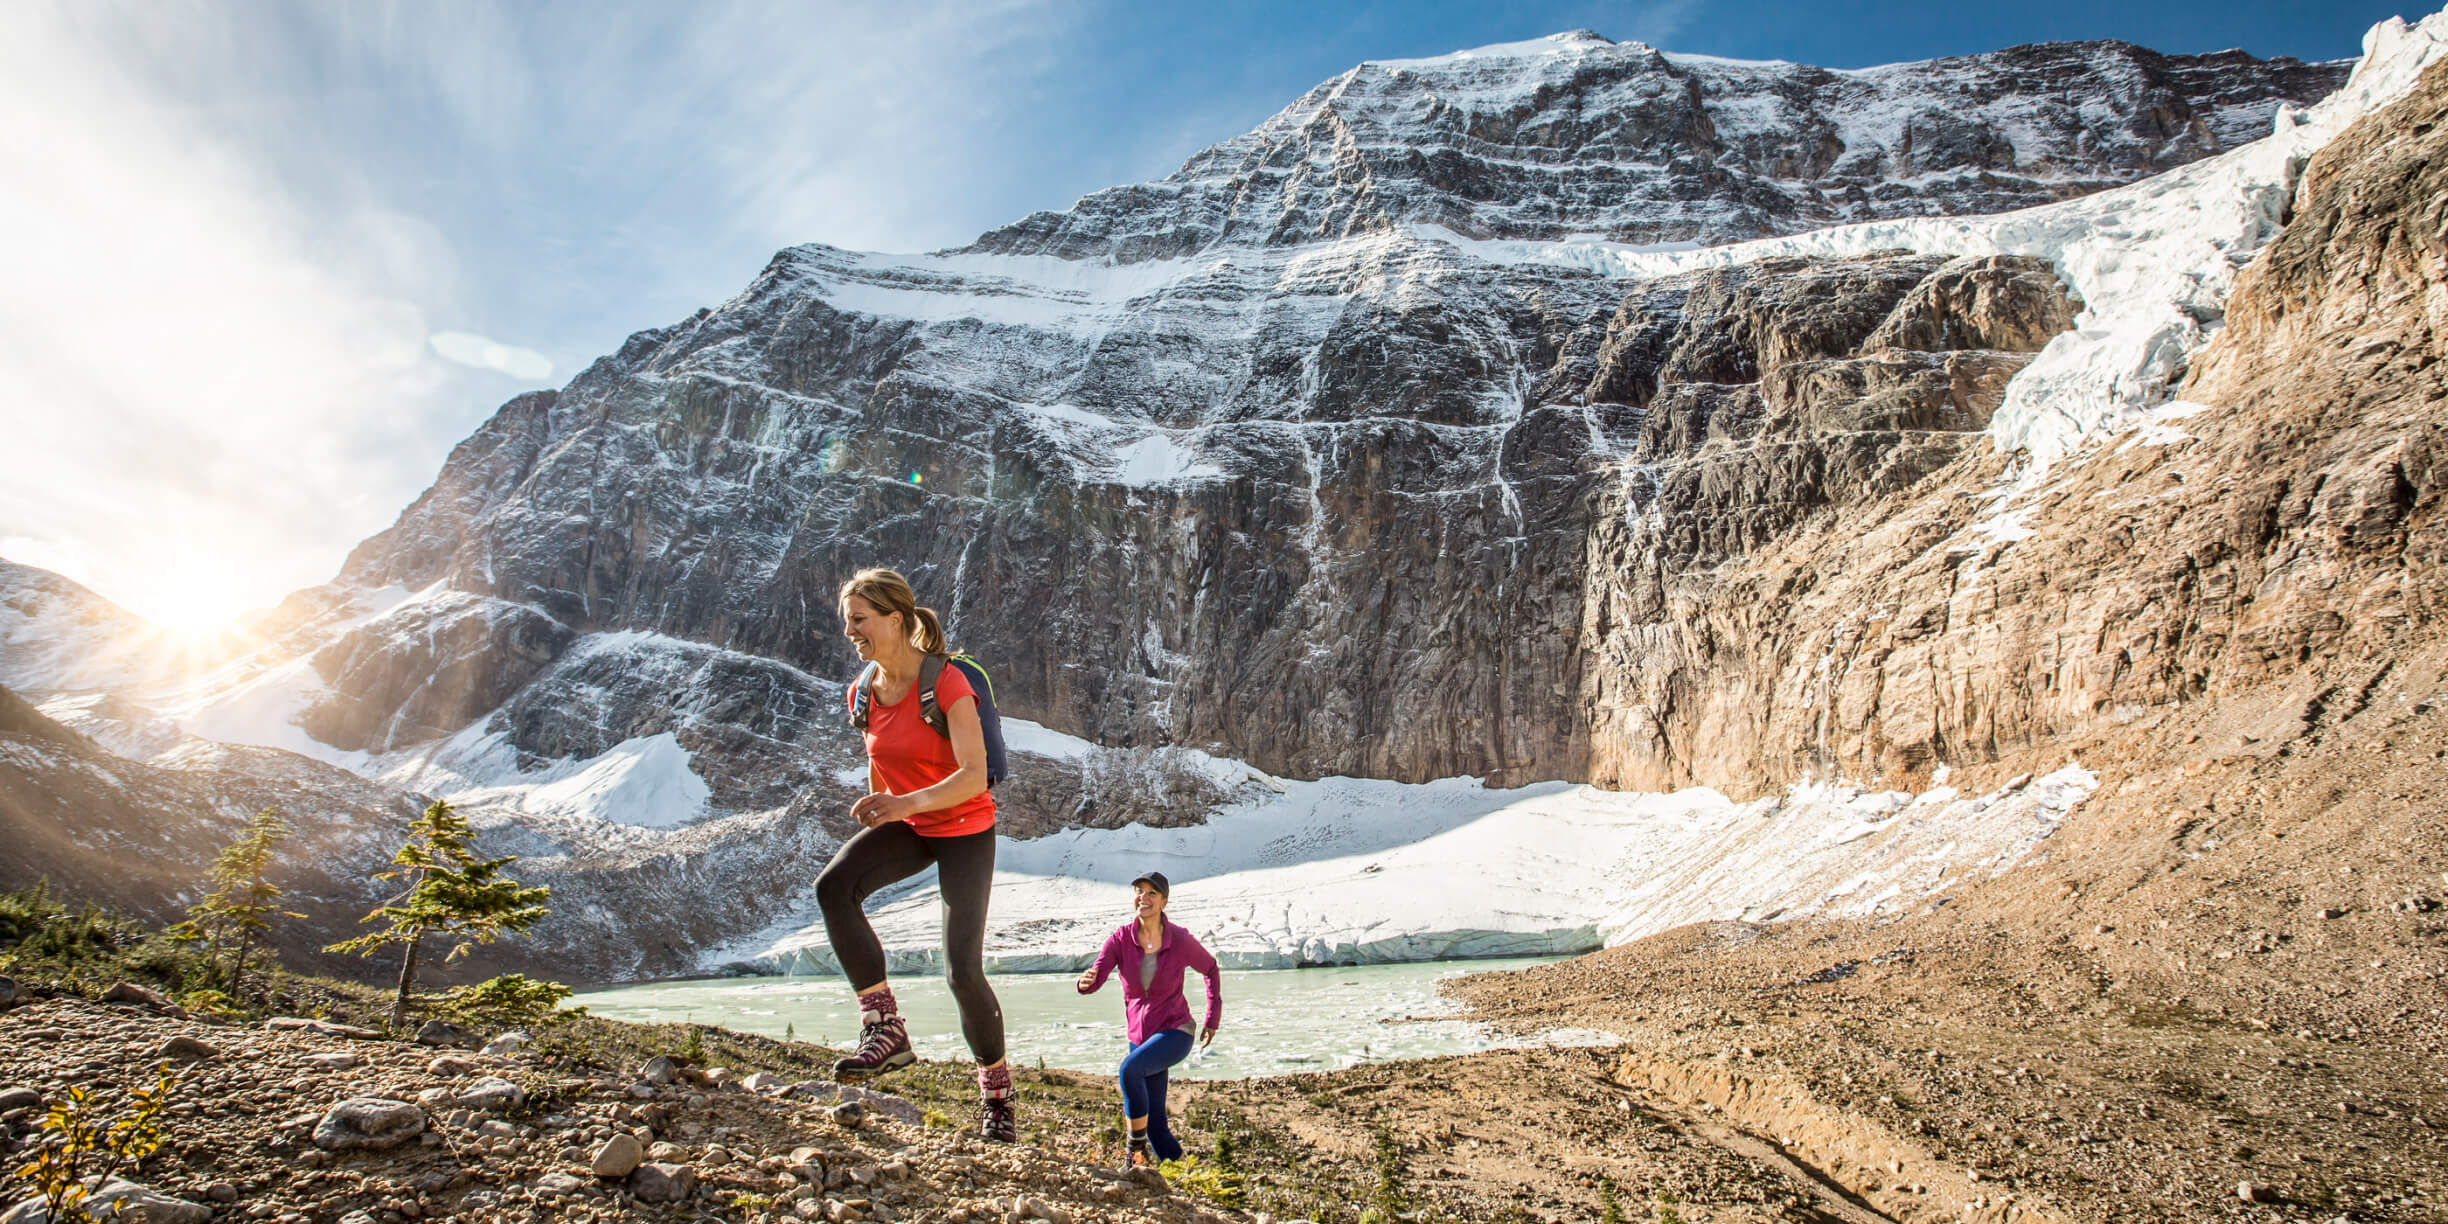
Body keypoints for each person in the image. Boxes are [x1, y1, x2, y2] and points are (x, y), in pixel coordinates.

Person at [815, 567, 1014, 1142]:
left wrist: (903, 804)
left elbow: (973, 775)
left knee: (961, 972)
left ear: (895, 620)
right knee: (834, 888)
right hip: (911, 823)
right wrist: (883, 806)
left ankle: (998, 1100)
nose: (851, 632)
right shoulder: (862, 692)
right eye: (847, 621)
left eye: (860, 620)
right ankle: (885, 1027)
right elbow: (882, 759)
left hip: (965, 829)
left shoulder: (946, 683)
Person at [1075, 871, 1222, 1167]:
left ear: (1164, 901)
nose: (1143, 897)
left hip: (1175, 1031)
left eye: (1151, 893)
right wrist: (1084, 983)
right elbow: (1097, 975)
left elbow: (1210, 968)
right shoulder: (1120, 939)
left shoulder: (1179, 939)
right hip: (1140, 1038)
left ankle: (1134, 1153)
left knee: (1129, 1070)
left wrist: (1212, 1016)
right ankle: (1185, 1174)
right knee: (1156, 1126)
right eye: (1139, 891)